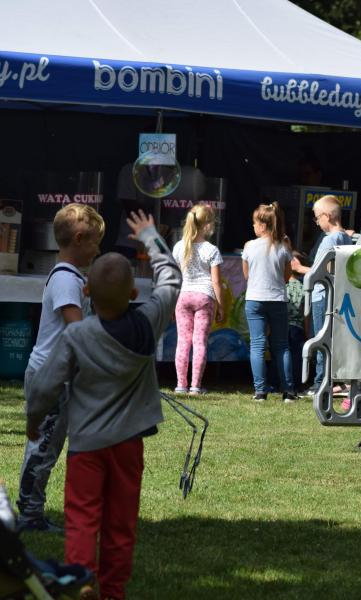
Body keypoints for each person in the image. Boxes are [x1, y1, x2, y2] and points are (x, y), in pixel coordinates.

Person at [25, 210, 181, 600]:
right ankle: (113, 591)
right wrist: (151, 237)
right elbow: (171, 279)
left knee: (81, 518)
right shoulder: (149, 320)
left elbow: (45, 385)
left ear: (87, 293)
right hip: (129, 445)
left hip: (86, 446)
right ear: (133, 294)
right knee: (121, 522)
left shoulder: (77, 336)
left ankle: (82, 580)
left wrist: (33, 419)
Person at [16, 204, 105, 534]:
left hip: (55, 375)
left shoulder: (69, 277)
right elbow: (76, 329)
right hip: (50, 378)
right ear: (79, 239)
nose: (97, 250)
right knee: (44, 446)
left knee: (47, 444)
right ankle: (30, 514)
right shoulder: (66, 280)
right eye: (95, 242)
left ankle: (31, 509)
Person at [294, 196, 352, 393]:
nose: (316, 222)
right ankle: (331, 380)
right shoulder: (346, 237)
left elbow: (320, 271)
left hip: (321, 295)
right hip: (335, 294)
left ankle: (320, 383)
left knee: (320, 339)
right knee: (332, 339)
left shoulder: (329, 240)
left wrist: (299, 268)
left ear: (327, 216)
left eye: (317, 217)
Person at [242, 202, 296, 402]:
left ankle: (260, 391)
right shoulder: (283, 247)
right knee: (281, 345)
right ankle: (288, 391)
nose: (253, 226)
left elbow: (246, 276)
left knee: (257, 345)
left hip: (254, 299)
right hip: (277, 299)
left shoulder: (249, 246)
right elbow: (287, 277)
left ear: (263, 225)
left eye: (255, 223)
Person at [171, 204, 224, 395]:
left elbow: (175, 277)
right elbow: (216, 282)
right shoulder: (212, 250)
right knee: (199, 341)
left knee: (182, 341)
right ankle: (195, 386)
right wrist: (220, 306)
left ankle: (180, 385)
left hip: (183, 296)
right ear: (208, 225)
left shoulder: (179, 247)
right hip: (204, 296)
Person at [285, 250, 310, 396]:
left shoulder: (282, 286)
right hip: (298, 328)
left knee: (282, 355)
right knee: (297, 358)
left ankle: (281, 382)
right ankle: (297, 384)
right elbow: (306, 314)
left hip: (282, 327)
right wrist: (307, 333)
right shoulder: (304, 288)